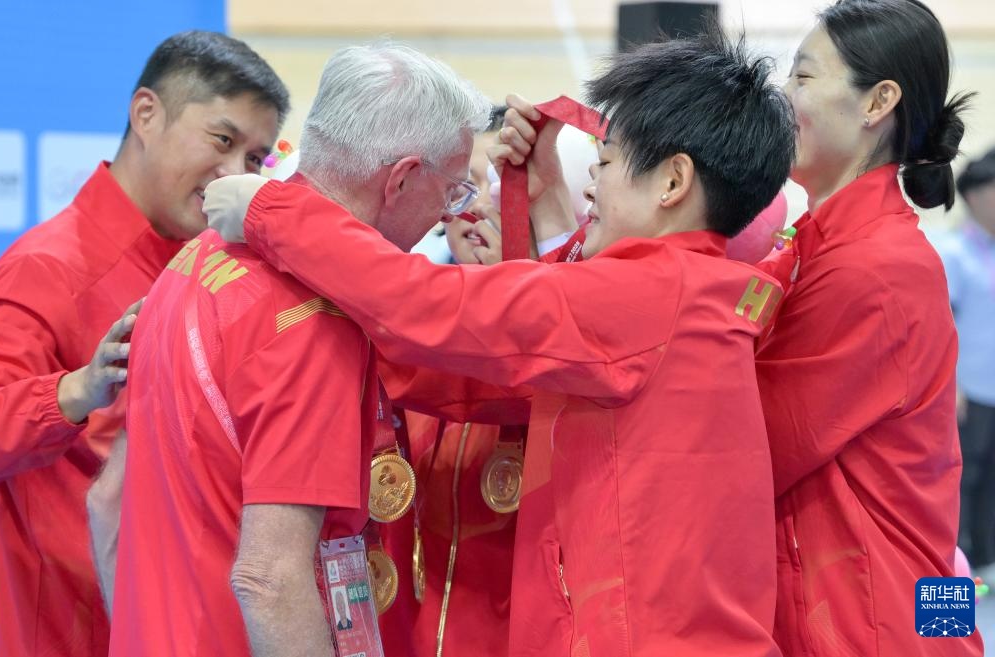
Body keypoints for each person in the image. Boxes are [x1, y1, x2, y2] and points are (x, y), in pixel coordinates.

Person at [205, 28, 795, 657]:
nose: (591, 188)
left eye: (606, 164)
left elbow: (427, 305)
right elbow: (485, 370)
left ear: (672, 181)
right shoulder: (687, 295)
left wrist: (272, 212)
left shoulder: (652, 294)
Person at [108, 43, 489, 657]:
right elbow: (269, 581)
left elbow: (107, 504)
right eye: (451, 192)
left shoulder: (193, 258)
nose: (450, 216)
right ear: (401, 178)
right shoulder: (314, 319)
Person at [0, 30, 286, 656]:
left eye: (255, 159)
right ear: (146, 114)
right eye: (222, 141)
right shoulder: (45, 270)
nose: (234, 174)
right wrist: (75, 391)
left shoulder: (218, 275)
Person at [754, 1, 983, 654]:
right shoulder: (821, 245)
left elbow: (754, 446)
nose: (783, 96)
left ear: (878, 101)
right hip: (880, 599)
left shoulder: (874, 267)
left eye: (803, 76)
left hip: (870, 619)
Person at [931, 148, 995, 578]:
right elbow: (940, 327)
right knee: (961, 480)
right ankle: (953, 572)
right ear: (974, 195)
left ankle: (986, 564)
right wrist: (950, 385)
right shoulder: (953, 251)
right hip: (966, 392)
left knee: (990, 482)